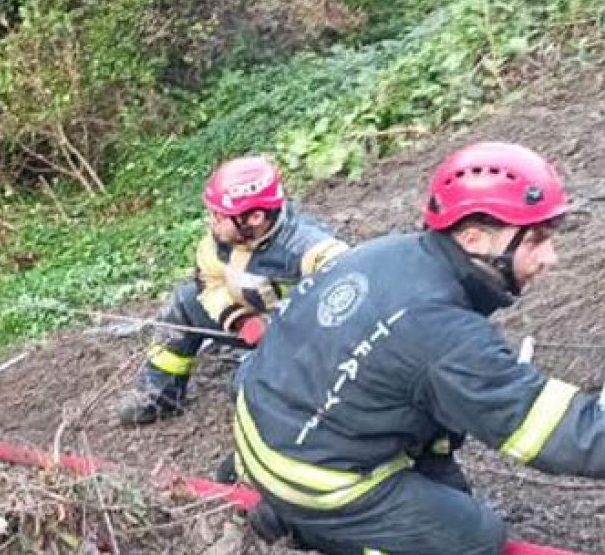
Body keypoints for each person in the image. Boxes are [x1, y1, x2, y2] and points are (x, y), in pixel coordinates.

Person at [231, 142, 605, 554]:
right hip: (311, 475)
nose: (550, 258)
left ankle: (292, 511)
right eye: (535, 241)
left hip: (265, 426)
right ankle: (315, 527)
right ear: (476, 238)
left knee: (449, 496)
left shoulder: (392, 253)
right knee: (475, 537)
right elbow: (552, 434)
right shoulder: (441, 332)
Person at [117, 156, 348, 425]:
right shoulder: (221, 241)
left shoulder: (314, 251)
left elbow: (342, 313)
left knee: (243, 389)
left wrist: (277, 331)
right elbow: (210, 283)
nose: (212, 222)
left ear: (255, 217)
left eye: (219, 215)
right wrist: (240, 319)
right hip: (256, 321)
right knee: (185, 302)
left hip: (306, 344)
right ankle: (158, 396)